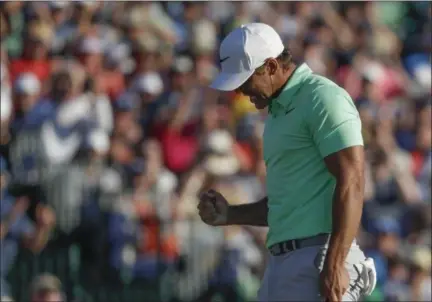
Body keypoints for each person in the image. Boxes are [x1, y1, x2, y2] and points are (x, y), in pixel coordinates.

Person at [198, 23, 377, 302]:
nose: (242, 91)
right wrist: (231, 215)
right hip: (283, 264)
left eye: (245, 81)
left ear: (270, 66)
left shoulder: (322, 97)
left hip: (319, 259)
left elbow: (352, 179)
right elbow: (287, 206)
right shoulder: (277, 116)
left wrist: (334, 262)